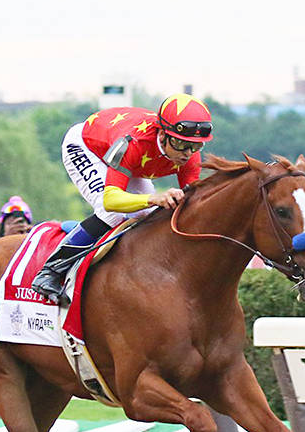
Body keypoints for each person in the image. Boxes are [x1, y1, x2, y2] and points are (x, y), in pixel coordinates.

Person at [30, 93, 214, 302]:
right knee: (114, 213)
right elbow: (111, 200)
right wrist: (154, 198)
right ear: (162, 135)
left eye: (196, 146)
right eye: (181, 145)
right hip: (87, 148)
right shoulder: (134, 143)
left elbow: (192, 202)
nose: (188, 153)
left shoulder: (188, 152)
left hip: (130, 159)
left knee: (149, 213)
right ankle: (51, 270)